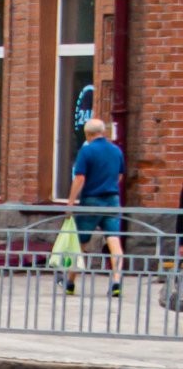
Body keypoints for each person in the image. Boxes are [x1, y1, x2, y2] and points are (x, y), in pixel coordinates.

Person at [64, 117, 125, 299]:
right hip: (112, 200)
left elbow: (80, 178)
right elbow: (120, 176)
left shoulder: (87, 151)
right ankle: (116, 280)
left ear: (87, 134)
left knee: (80, 243)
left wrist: (70, 202)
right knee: (114, 241)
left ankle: (70, 282)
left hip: (91, 200)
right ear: (103, 132)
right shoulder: (116, 151)